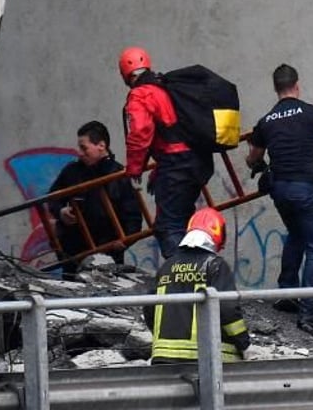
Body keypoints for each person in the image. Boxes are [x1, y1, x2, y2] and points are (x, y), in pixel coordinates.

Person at [245, 63, 313, 337]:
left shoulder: (266, 121)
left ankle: (288, 293)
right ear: (297, 85)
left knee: (296, 234)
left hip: (280, 191)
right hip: (306, 190)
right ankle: (311, 313)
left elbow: (252, 158)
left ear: (276, 88)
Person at [119, 46, 215, 259]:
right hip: (196, 161)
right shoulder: (166, 87)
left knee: (167, 226)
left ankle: (180, 281)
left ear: (125, 74)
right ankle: (195, 273)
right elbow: (173, 131)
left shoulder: (140, 95)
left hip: (176, 164)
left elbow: (140, 134)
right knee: (183, 221)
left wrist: (134, 171)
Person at [144, 207, 249, 363]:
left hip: (164, 357)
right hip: (206, 359)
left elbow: (149, 307)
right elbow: (227, 308)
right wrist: (244, 344)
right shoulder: (215, 265)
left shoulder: (166, 266)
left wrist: (163, 343)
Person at [47, 121, 143, 280]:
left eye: (84, 148)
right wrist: (61, 212)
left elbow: (133, 217)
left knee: (105, 302)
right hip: (74, 255)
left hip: (108, 257)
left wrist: (124, 241)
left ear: (101, 145)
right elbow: (53, 198)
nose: (80, 153)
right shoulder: (72, 171)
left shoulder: (118, 176)